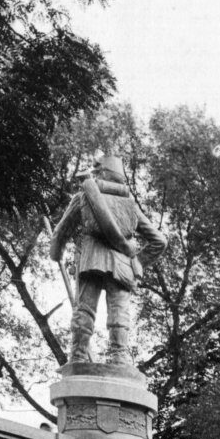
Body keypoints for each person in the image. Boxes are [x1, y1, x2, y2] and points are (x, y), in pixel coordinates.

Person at [48, 154, 163, 366]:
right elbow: (159, 241)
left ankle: (79, 356)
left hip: (91, 261)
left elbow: (61, 232)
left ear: (100, 173)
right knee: (120, 314)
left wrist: (55, 253)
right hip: (122, 267)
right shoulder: (131, 206)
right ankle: (119, 357)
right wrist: (138, 261)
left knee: (84, 310)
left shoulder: (83, 197)